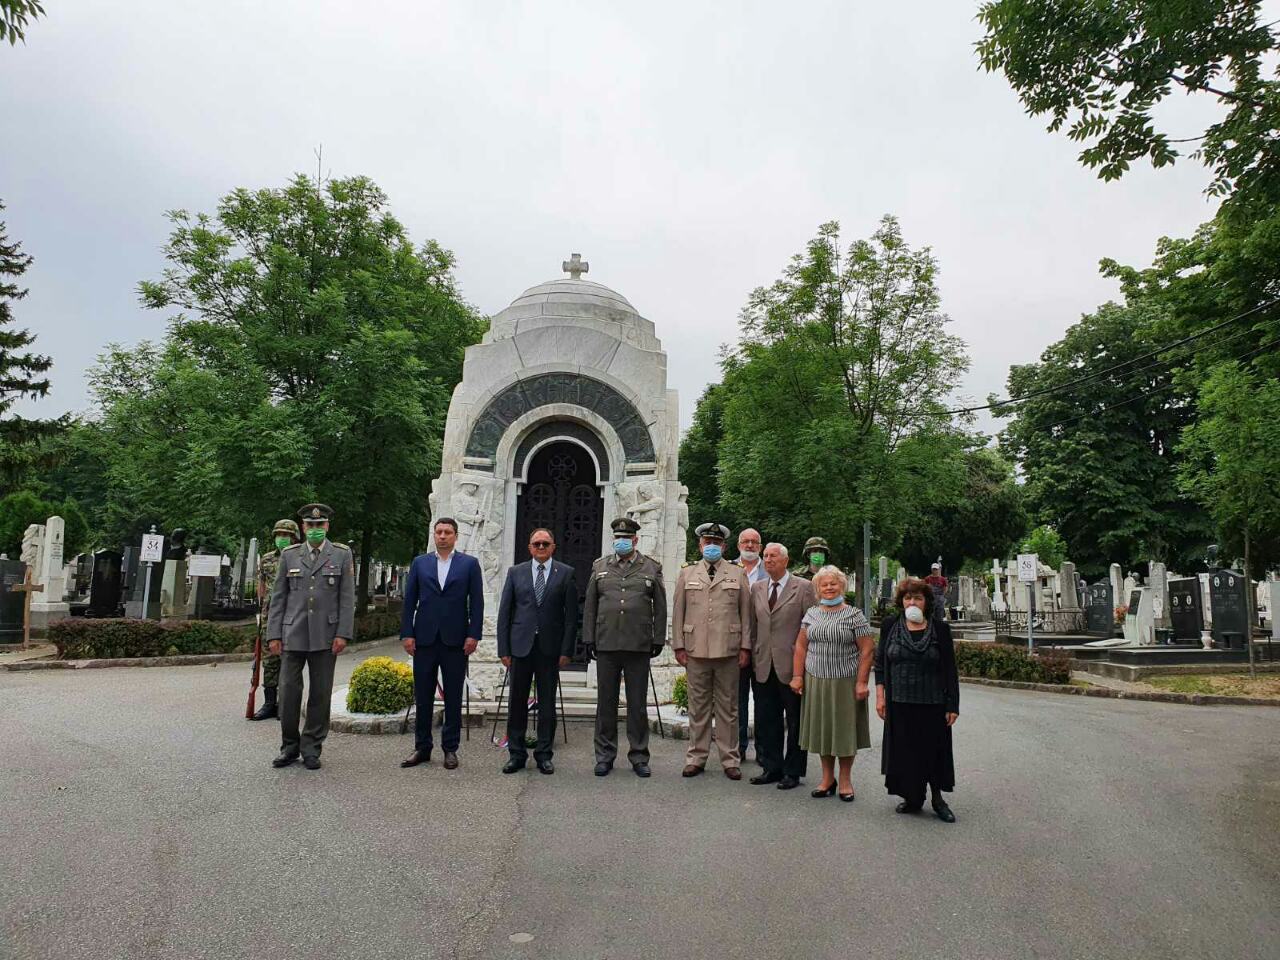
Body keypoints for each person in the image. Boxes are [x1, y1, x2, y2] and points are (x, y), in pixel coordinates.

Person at [267, 504, 354, 771]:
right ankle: (289, 746)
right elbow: (278, 597)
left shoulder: (341, 554)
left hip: (326, 635)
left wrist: (343, 633)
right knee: (288, 693)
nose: (315, 529)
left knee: (320, 694)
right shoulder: (290, 555)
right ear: (303, 528)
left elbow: (346, 597)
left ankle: (312, 748)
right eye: (310, 525)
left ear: (327, 526)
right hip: (292, 633)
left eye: (320, 525)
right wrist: (273, 634)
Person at [583, 517, 667, 778]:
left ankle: (639, 755)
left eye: (626, 538)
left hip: (638, 644)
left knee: (637, 705)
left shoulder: (651, 567)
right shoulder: (600, 566)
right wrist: (589, 638)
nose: (622, 542)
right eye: (618, 538)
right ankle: (604, 756)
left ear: (635, 540)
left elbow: (660, 607)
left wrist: (658, 639)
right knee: (605, 703)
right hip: (607, 642)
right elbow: (590, 605)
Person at [399, 518, 484, 771]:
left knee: (453, 697)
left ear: (456, 536)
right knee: (423, 697)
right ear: (434, 535)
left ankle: (450, 748)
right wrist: (407, 634)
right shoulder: (420, 563)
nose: (443, 536)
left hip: (455, 641)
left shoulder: (469, 564)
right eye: (439, 532)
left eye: (448, 532)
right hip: (424, 640)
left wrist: (473, 635)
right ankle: (422, 747)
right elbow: (409, 601)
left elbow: (476, 603)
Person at [875, 577, 960, 822]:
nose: (912, 602)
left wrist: (952, 704)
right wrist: (880, 697)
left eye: (918, 598)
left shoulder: (939, 629)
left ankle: (937, 799)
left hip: (932, 702)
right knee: (905, 752)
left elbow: (950, 669)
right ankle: (913, 797)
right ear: (901, 601)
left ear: (926, 602)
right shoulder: (890, 625)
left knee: (933, 752)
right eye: (908, 598)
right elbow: (880, 664)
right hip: (899, 701)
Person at [672, 522, 751, 780]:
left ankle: (730, 759)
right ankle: (696, 757)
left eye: (716, 543)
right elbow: (678, 611)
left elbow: (746, 614)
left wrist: (745, 647)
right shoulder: (687, 573)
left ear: (724, 546)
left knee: (729, 708)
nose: (712, 547)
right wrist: (678, 645)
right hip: (695, 650)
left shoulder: (737, 573)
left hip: (728, 650)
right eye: (708, 542)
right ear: (700, 545)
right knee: (698, 707)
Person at [496, 529, 577, 775]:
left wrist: (566, 650)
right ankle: (516, 754)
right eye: (537, 543)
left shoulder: (566, 573)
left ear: (553, 547)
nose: (541, 547)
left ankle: (544, 754)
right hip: (520, 648)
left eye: (545, 544)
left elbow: (571, 618)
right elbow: (505, 613)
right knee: (516, 704)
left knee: (547, 705)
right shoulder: (515, 572)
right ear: (530, 547)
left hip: (549, 649)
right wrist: (503, 649)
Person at [790, 566, 874, 801]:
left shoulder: (854, 615)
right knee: (823, 731)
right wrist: (797, 676)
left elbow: (867, 650)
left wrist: (862, 682)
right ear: (817, 589)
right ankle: (827, 779)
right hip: (816, 681)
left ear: (842, 586)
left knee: (845, 732)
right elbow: (801, 646)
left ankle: (845, 780)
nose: (829, 588)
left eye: (833, 584)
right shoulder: (811, 614)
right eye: (824, 584)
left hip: (845, 682)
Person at [748, 543, 809, 789]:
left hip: (792, 665)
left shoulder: (803, 587)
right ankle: (771, 768)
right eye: (765, 556)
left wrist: (804, 666)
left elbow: (809, 627)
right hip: (763, 664)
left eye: (773, 555)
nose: (768, 559)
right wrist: (753, 654)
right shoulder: (757, 588)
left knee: (795, 721)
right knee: (767, 719)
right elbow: (753, 626)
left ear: (786, 560)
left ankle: (793, 771)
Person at [250, 518, 299, 721]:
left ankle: (285, 704)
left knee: (288, 661)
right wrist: (260, 611)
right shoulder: (267, 559)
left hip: (292, 617)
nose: (282, 538)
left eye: (286, 535)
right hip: (269, 617)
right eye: (279, 535)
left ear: (294, 537)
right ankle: (269, 703)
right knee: (269, 661)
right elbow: (261, 585)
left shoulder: (300, 558)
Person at [733, 527, 766, 762]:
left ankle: (764, 751)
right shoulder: (728, 569)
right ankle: (739, 747)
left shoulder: (771, 570)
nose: (750, 545)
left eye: (754, 542)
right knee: (737, 700)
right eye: (746, 541)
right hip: (736, 646)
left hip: (764, 647)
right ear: (738, 545)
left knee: (764, 701)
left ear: (760, 547)